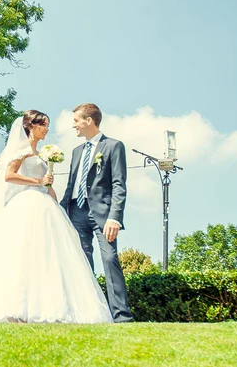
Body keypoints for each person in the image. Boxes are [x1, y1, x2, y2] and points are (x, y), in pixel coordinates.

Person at [0, 110, 113, 324]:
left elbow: (47, 184)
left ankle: (45, 306)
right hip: (26, 205)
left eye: (47, 125)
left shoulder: (41, 153)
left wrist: (55, 199)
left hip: (45, 205)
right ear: (31, 126)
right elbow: (9, 176)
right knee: (23, 255)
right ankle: (16, 310)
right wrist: (38, 182)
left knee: (47, 257)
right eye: (43, 125)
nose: (46, 129)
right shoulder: (22, 150)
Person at [60, 103, 134, 323]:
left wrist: (115, 217)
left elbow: (119, 185)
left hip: (103, 214)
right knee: (81, 262)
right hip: (75, 211)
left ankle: (122, 316)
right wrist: (60, 211)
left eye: (76, 121)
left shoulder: (113, 146)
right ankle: (86, 314)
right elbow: (71, 184)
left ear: (89, 121)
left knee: (110, 258)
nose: (73, 125)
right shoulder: (76, 152)